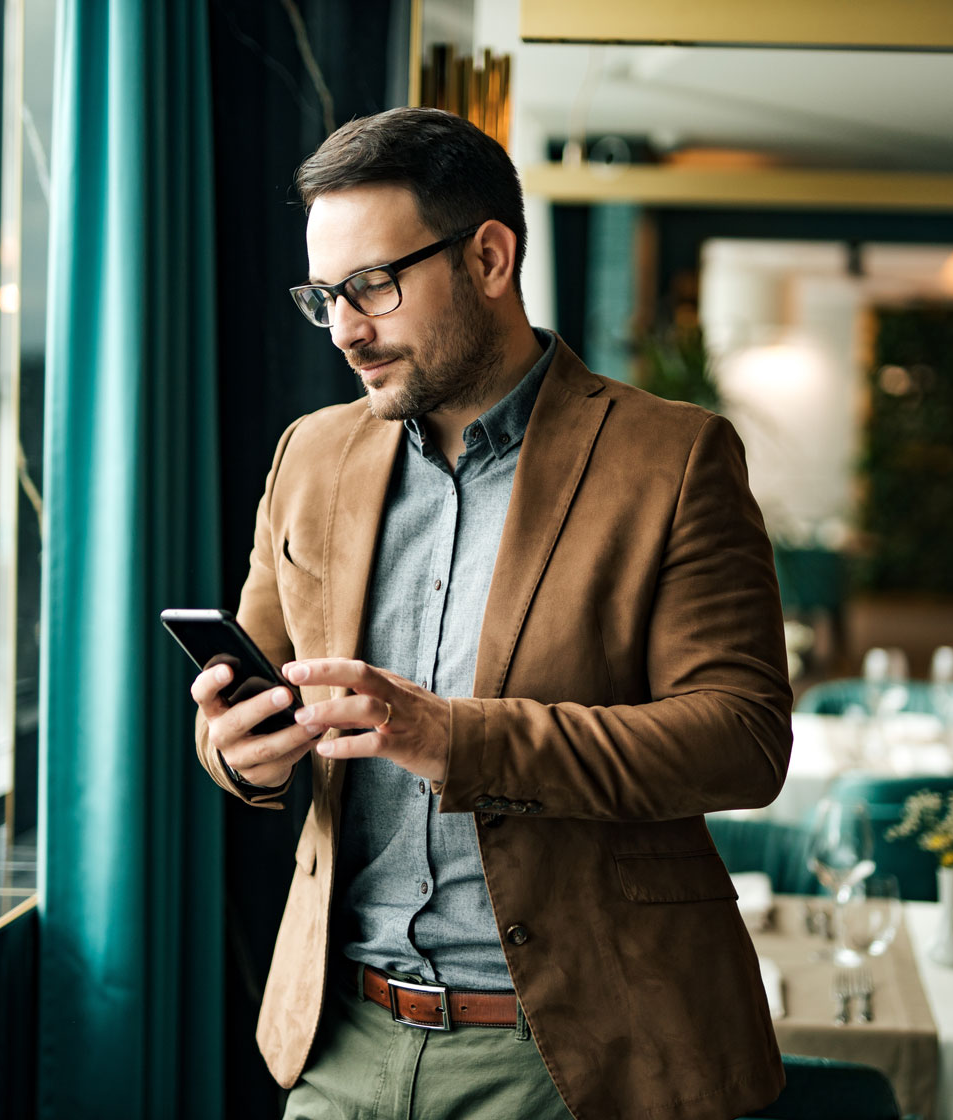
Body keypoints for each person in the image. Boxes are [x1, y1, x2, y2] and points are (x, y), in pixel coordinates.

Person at [192, 106, 792, 1120]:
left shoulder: (673, 458)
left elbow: (742, 739)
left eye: (372, 286)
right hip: (338, 1042)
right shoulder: (312, 455)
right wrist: (238, 753)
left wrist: (451, 735)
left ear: (490, 257)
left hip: (579, 1056)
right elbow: (249, 697)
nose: (345, 327)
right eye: (325, 296)